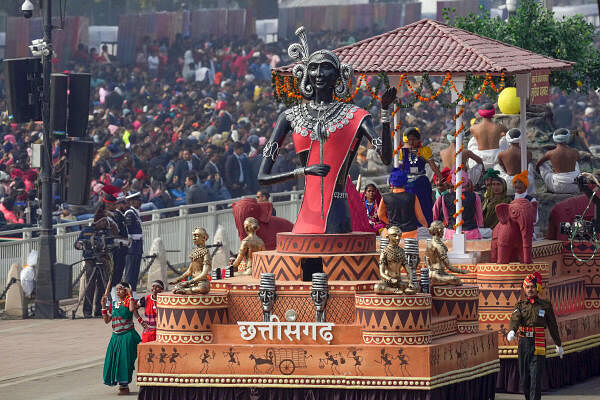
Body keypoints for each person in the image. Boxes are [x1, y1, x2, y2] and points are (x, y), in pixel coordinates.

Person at [257, 26, 394, 234]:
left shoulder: (355, 116)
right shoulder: (289, 117)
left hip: (338, 216)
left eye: (326, 68)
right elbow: (262, 177)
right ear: (306, 73)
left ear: (338, 74)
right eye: (313, 68)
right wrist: (304, 171)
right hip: (306, 218)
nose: (319, 74)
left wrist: (385, 113)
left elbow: (385, 157)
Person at [506, 272, 563, 400]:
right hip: (524, 342)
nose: (530, 289)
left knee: (536, 378)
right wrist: (512, 331)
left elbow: (552, 326)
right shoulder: (520, 305)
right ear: (524, 289)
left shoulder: (545, 305)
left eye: (532, 286)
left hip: (538, 342)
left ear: (537, 288)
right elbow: (515, 319)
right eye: (528, 287)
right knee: (525, 379)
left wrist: (558, 344)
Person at [100, 282, 144, 395]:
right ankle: (120, 384)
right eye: (117, 289)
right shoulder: (114, 303)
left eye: (121, 289)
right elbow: (107, 320)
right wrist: (103, 306)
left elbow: (130, 310)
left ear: (126, 291)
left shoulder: (130, 302)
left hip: (127, 336)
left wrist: (130, 295)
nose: (118, 291)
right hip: (116, 337)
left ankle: (124, 385)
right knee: (113, 360)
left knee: (125, 361)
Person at [398, 127, 440, 225]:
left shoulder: (425, 151)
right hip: (407, 182)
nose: (411, 142)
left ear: (418, 140)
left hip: (420, 181)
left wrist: (442, 178)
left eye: (414, 139)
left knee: (424, 205)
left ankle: (426, 225)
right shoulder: (403, 152)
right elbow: (400, 169)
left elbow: (433, 167)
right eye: (409, 140)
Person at [378, 168, 428, 239]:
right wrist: (426, 228)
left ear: (391, 183)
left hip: (392, 234)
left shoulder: (385, 197)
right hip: (411, 234)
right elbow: (420, 217)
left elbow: (380, 215)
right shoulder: (412, 197)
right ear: (405, 182)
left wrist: (391, 224)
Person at [433, 171, 483, 240]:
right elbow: (479, 218)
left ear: (452, 181)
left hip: (451, 233)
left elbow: (446, 218)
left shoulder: (444, 197)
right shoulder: (475, 196)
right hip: (471, 233)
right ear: (466, 181)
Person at [535, 128, 580, 194]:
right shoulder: (575, 152)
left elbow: (538, 164)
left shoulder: (550, 153)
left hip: (557, 187)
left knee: (542, 165)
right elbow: (578, 159)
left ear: (555, 139)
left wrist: (537, 171)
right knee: (576, 163)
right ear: (567, 139)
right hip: (574, 187)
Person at [374, 226, 416, 294]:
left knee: (415, 287)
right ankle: (394, 290)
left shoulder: (401, 251)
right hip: (388, 281)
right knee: (377, 287)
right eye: (394, 236)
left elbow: (408, 270)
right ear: (388, 237)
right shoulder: (385, 252)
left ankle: (398, 290)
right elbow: (381, 273)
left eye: (399, 236)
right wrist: (390, 279)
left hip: (398, 281)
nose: (397, 238)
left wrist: (410, 282)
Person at [169, 227, 212, 295]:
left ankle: (186, 291)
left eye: (197, 236)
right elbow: (189, 271)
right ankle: (187, 290)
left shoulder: (206, 252)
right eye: (193, 236)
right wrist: (178, 279)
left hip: (202, 282)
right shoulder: (194, 252)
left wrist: (188, 282)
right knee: (177, 287)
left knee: (203, 288)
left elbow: (204, 274)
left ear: (203, 238)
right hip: (192, 282)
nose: (194, 238)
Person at [468, 103, 507, 172]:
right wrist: (498, 135)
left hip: (480, 157)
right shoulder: (500, 127)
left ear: (480, 114)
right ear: (493, 113)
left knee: (472, 142)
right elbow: (507, 135)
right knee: (505, 140)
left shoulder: (473, 128)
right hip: (496, 157)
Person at [497, 128, 535, 195]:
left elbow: (503, 168)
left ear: (508, 138)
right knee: (530, 165)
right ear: (520, 138)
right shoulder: (528, 153)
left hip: (509, 185)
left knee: (496, 166)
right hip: (524, 183)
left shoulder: (501, 154)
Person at [124, 192, 143, 294]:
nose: (139, 203)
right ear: (132, 202)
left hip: (137, 245)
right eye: (137, 201)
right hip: (132, 246)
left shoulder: (135, 213)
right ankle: (128, 293)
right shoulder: (129, 213)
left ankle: (133, 292)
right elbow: (128, 231)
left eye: (139, 201)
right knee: (130, 272)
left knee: (135, 271)